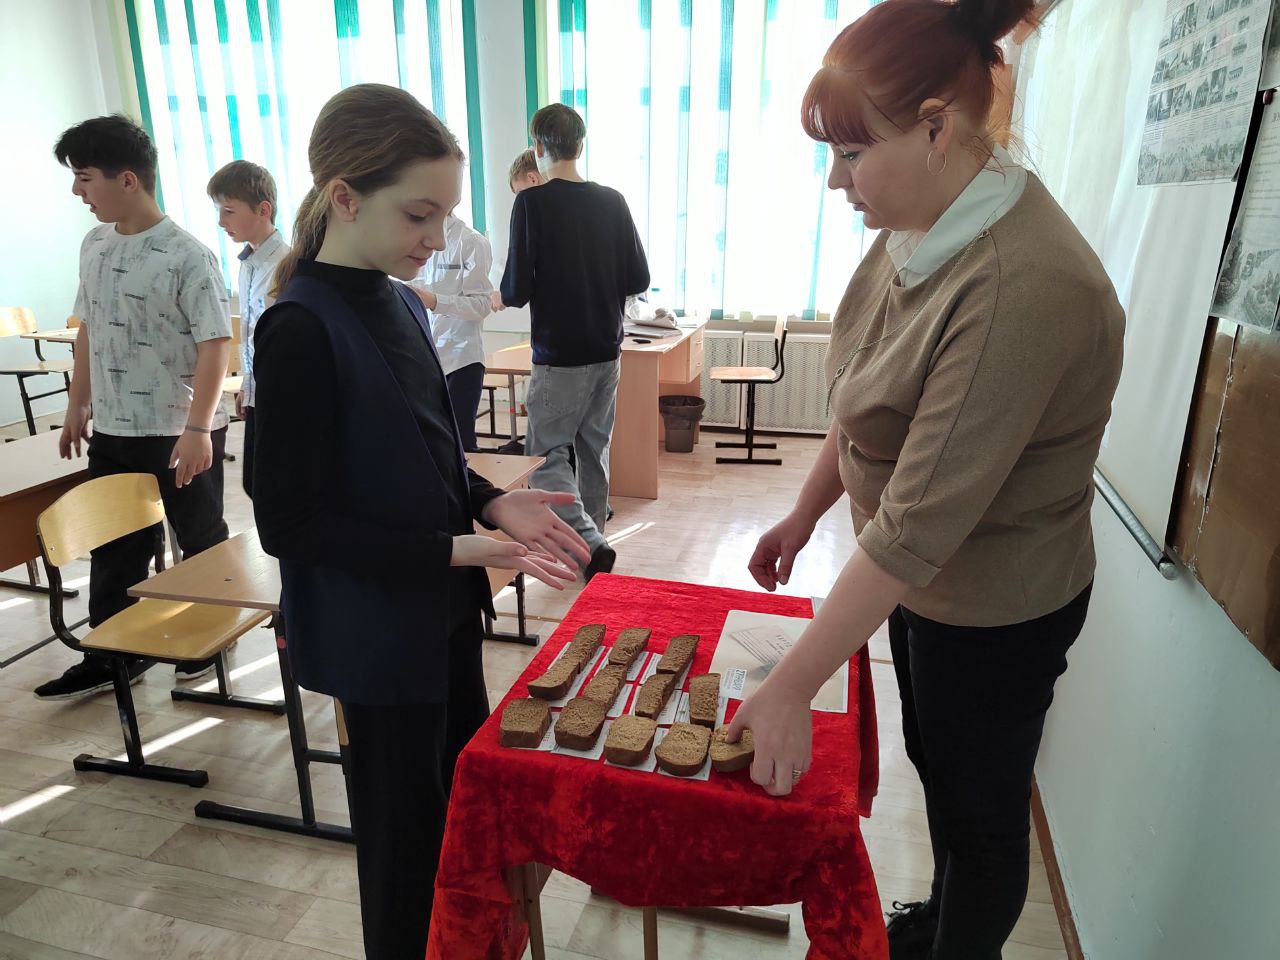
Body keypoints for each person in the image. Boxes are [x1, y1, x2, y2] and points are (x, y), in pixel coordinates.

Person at [723, 2, 1125, 959]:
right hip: (921, 585)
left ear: (937, 127)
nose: (836, 179)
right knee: (936, 765)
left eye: (850, 152)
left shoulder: (1022, 289)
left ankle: (960, 935)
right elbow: (868, 390)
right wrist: (804, 511)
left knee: (981, 816)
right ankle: (939, 920)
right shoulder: (920, 221)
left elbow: (914, 529)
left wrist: (793, 685)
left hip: (996, 607)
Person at [250, 83, 591, 960]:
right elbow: (288, 523)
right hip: (374, 637)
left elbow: (426, 450)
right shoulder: (299, 326)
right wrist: (452, 547)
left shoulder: (400, 301)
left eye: (443, 214)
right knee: (405, 853)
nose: (437, 239)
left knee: (457, 825)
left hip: (439, 615)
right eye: (419, 214)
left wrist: (488, 500)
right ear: (344, 198)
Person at [36, 114, 233, 701]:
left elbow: (215, 344)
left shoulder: (187, 255)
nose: (78, 191)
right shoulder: (94, 244)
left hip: (179, 429)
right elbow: (89, 330)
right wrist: (78, 403)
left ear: (127, 179)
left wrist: (198, 427)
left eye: (84, 177)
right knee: (115, 543)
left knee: (199, 536)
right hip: (116, 429)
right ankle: (114, 653)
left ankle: (212, 636)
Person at [495, 104, 650, 581]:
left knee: (546, 457)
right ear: (580, 145)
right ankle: (594, 549)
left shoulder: (532, 203)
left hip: (559, 356)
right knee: (593, 451)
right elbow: (639, 278)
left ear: (538, 146)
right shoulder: (613, 201)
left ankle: (589, 543)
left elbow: (515, 289)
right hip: (607, 350)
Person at [207, 159, 288, 496]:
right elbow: (252, 335)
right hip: (258, 392)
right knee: (254, 483)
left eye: (229, 211)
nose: (221, 221)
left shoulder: (287, 265)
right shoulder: (248, 263)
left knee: (273, 485)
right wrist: (247, 385)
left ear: (263, 210)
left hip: (282, 396)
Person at [407, 213, 494, 452]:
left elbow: (482, 305)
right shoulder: (412, 239)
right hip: (423, 356)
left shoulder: (471, 241)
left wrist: (436, 301)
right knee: (429, 442)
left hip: (462, 358)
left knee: (461, 444)